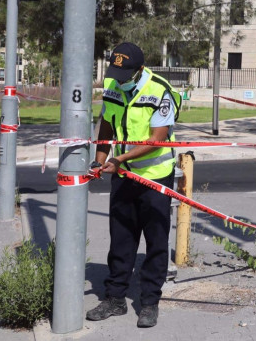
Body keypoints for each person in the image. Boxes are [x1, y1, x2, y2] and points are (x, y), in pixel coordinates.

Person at [86, 42, 181, 328]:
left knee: (156, 242)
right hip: (123, 175)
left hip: (155, 177)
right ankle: (115, 299)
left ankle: (149, 302)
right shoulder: (113, 85)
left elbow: (157, 139)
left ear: (140, 69)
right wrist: (99, 159)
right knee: (121, 239)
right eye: (116, 73)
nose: (119, 79)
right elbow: (107, 123)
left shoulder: (160, 91)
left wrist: (119, 159)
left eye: (125, 74)